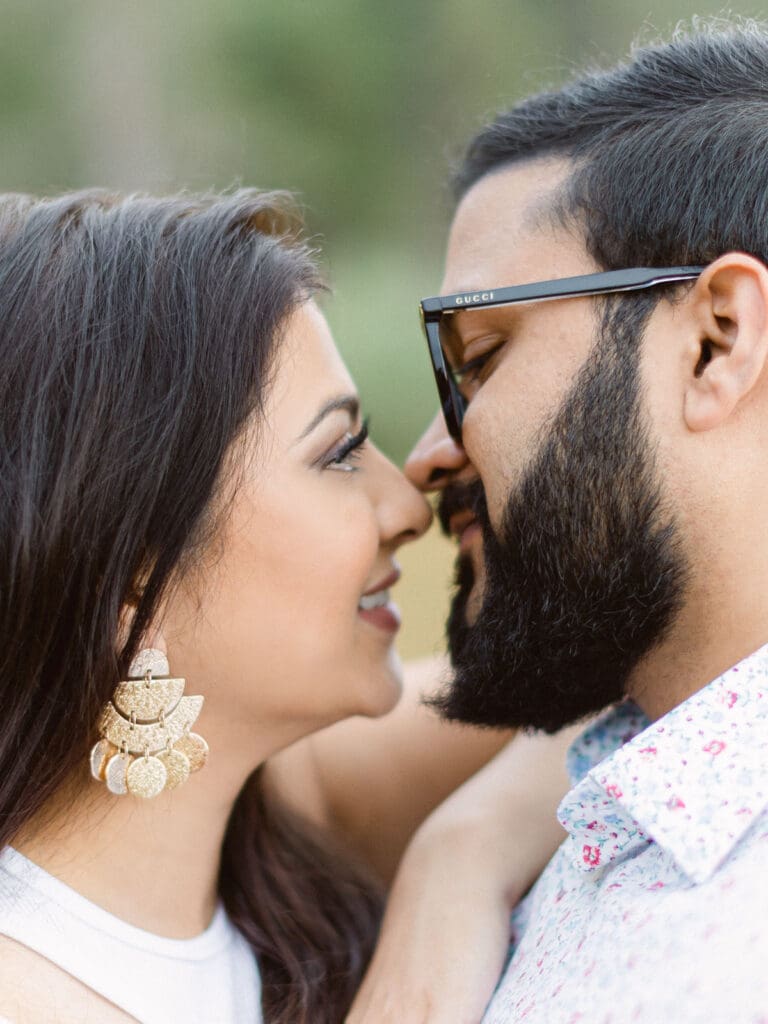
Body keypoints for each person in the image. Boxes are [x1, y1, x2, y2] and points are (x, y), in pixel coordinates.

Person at [0, 188, 572, 1024]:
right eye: (338, 453)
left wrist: (458, 858)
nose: (408, 507)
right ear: (131, 576)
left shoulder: (282, 802)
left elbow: (613, 693)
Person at [404, 18, 768, 1023]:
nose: (427, 454)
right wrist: (457, 852)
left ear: (716, 341)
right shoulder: (605, 789)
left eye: (478, 356)